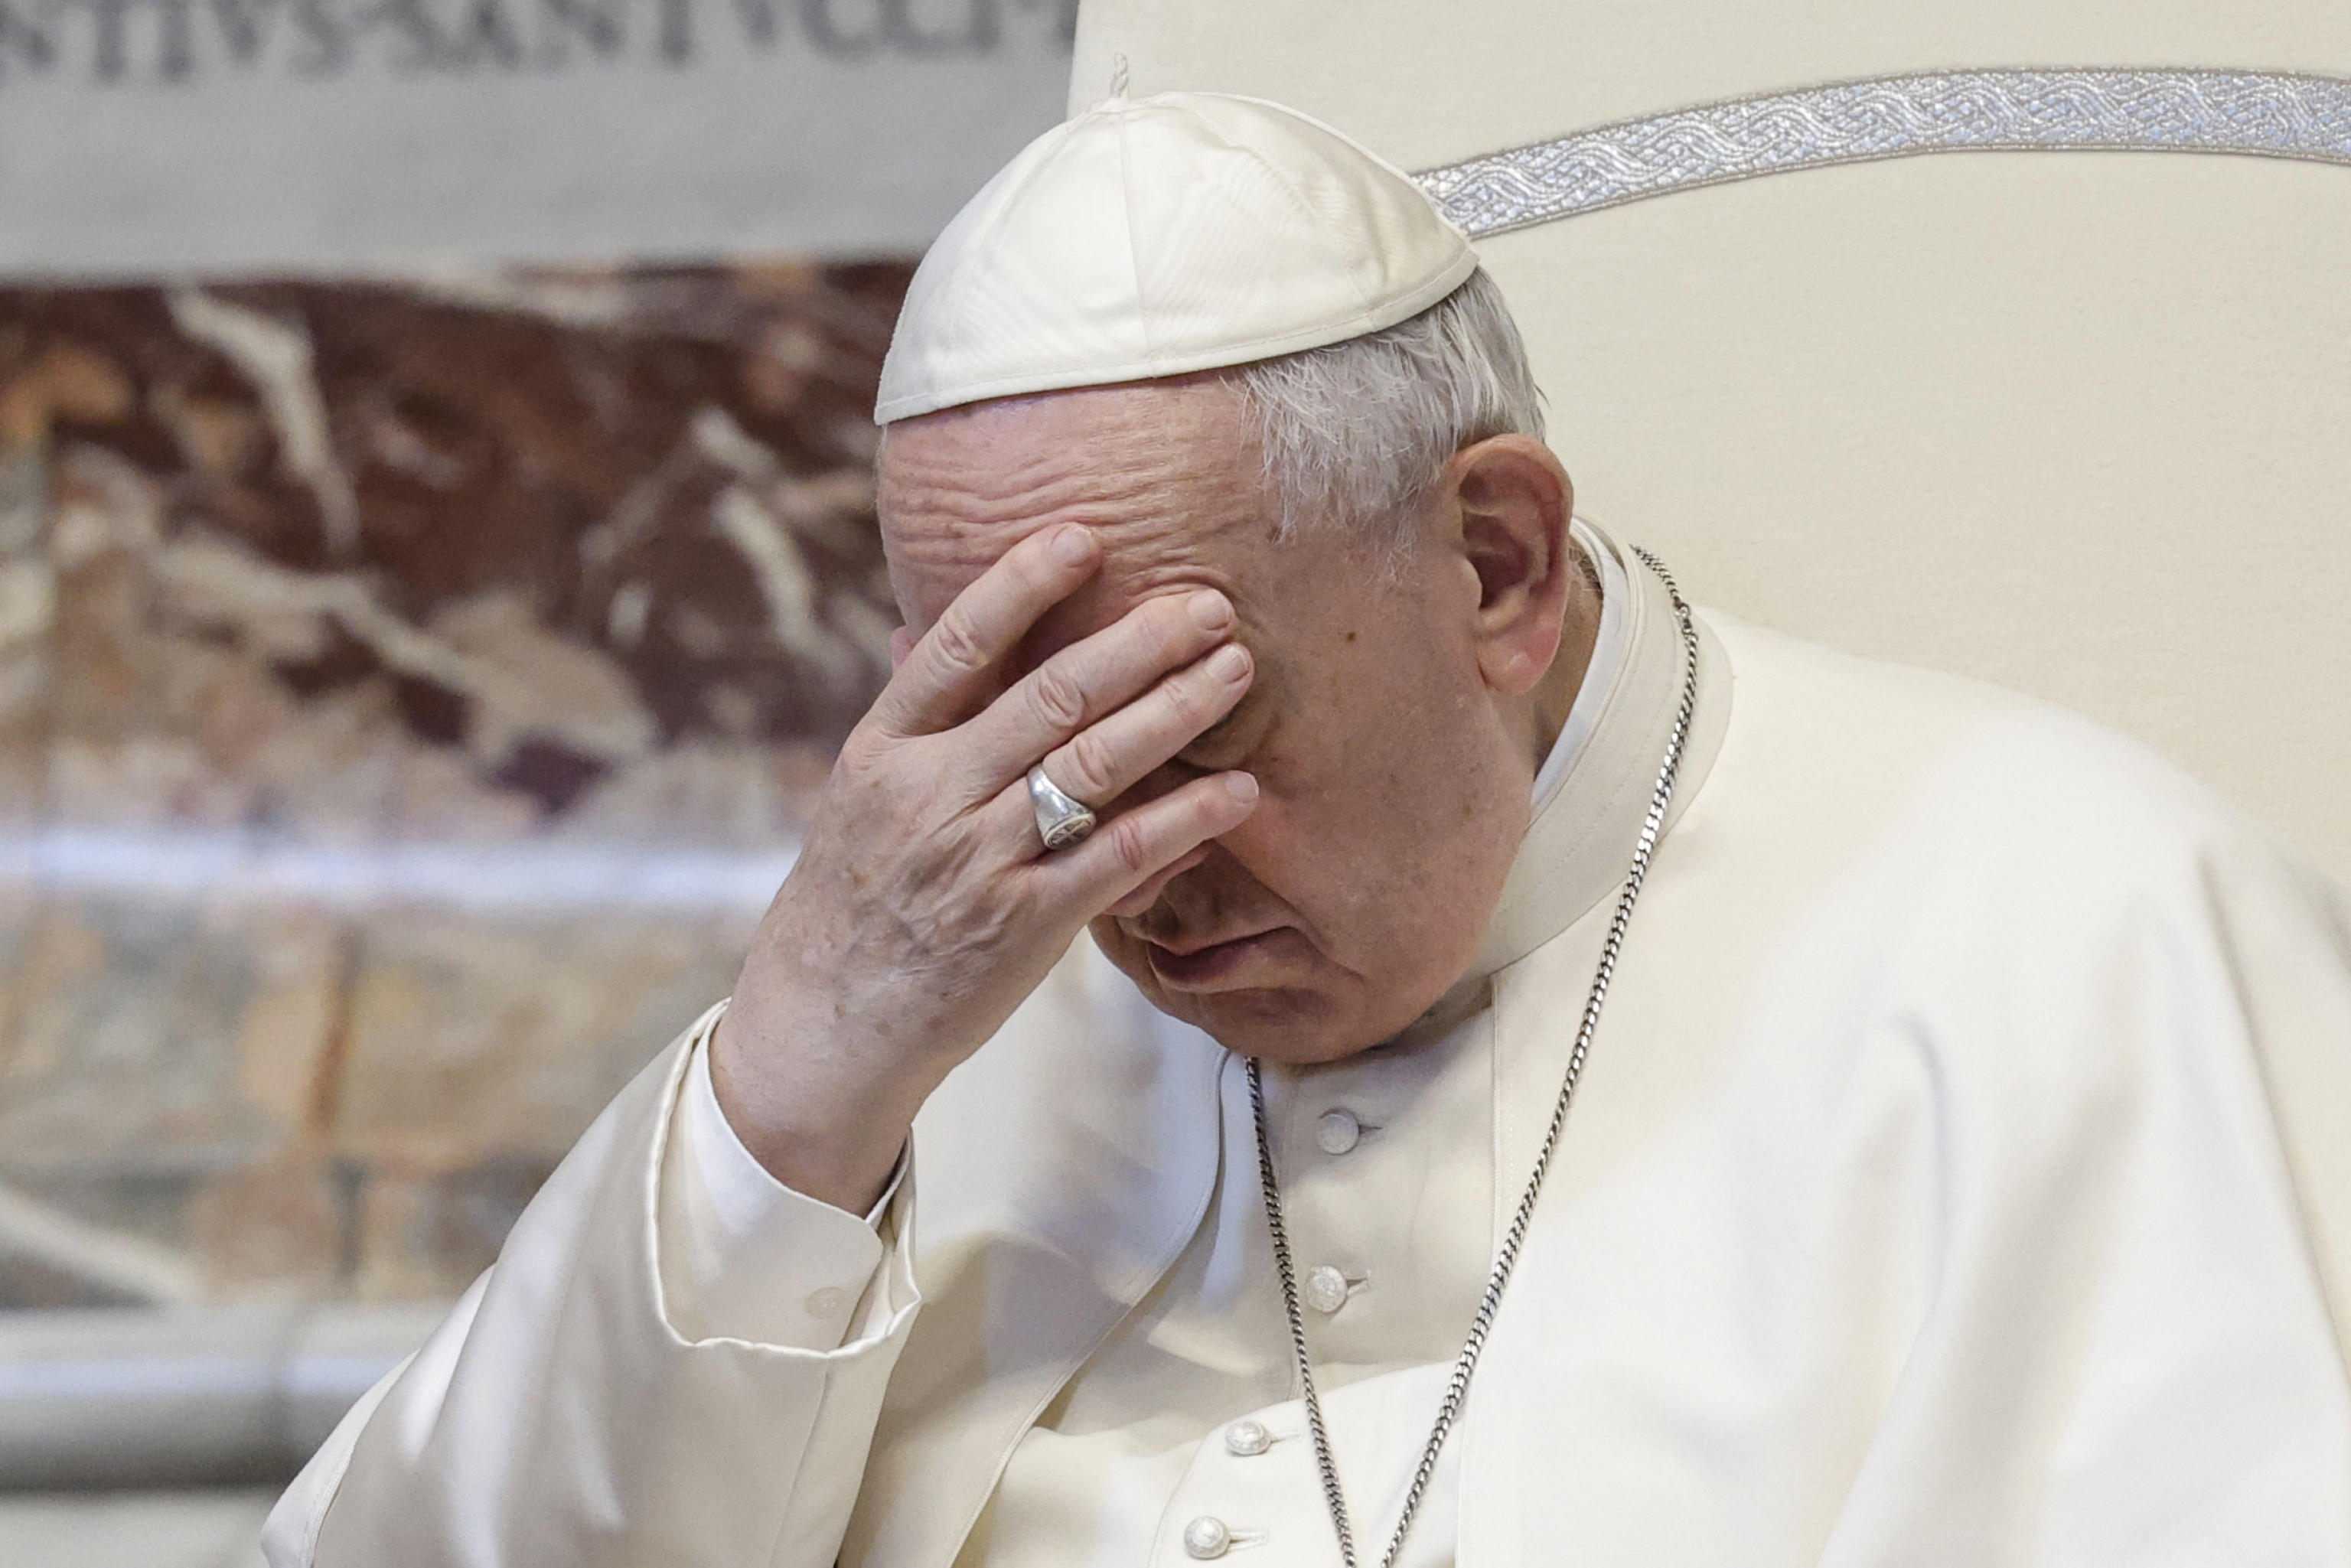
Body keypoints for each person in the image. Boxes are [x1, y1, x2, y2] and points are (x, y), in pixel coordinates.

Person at [262, 91, 2351, 1567]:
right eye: (1018, 729)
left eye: (1192, 721)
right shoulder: (937, 968)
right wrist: (794, 1093)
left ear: (1499, 567)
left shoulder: (2079, 937)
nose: (1122, 876)